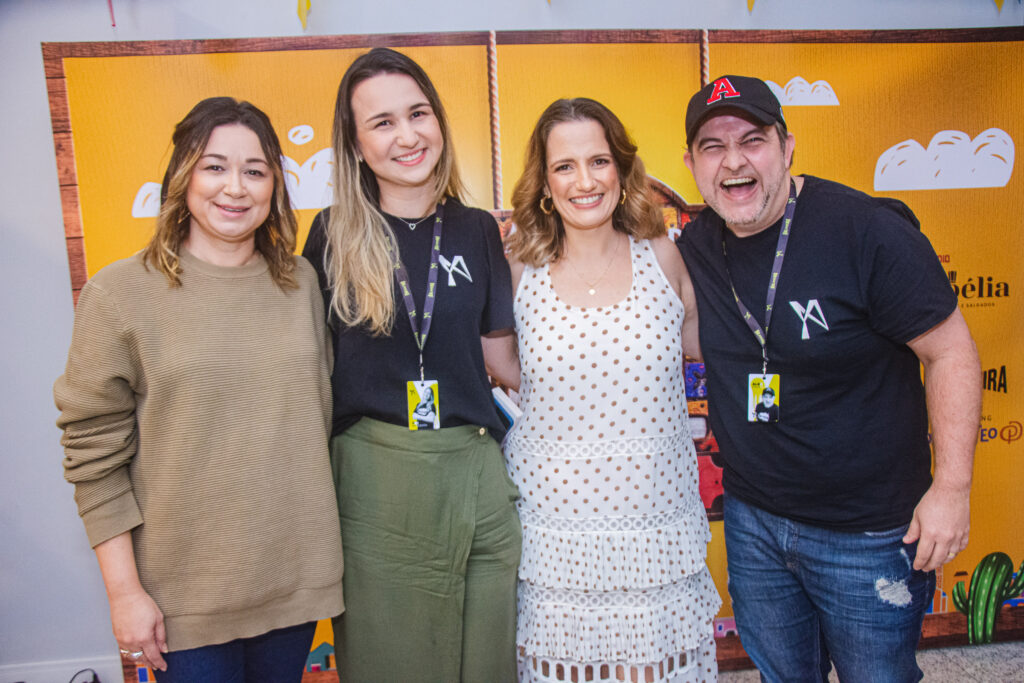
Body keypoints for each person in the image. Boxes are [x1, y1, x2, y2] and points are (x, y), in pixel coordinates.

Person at [676, 75, 981, 682]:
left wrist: (952, 488)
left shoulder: (867, 231)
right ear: (691, 163)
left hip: (867, 532)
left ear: (787, 148)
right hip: (754, 523)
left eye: (753, 140)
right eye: (713, 146)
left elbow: (951, 353)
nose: (734, 162)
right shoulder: (695, 245)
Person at [54, 97, 343, 682]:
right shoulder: (119, 293)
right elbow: (93, 456)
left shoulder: (302, 284)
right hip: (180, 605)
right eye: (214, 166)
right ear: (182, 176)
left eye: (255, 170)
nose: (234, 187)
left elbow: (318, 417)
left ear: (275, 188)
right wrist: (124, 593)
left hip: (293, 586)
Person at [301, 47, 521, 682]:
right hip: (378, 478)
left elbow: (501, 360)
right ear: (355, 143)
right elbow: (308, 369)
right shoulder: (332, 234)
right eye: (382, 122)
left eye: (417, 113)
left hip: (477, 468)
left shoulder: (479, 228)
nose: (407, 135)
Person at [505, 97, 721, 683]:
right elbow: (496, 373)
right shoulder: (518, 271)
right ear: (545, 184)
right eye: (564, 166)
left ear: (622, 172)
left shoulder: (664, 258)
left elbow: (717, 350)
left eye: (598, 161)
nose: (584, 181)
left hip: (654, 530)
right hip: (554, 537)